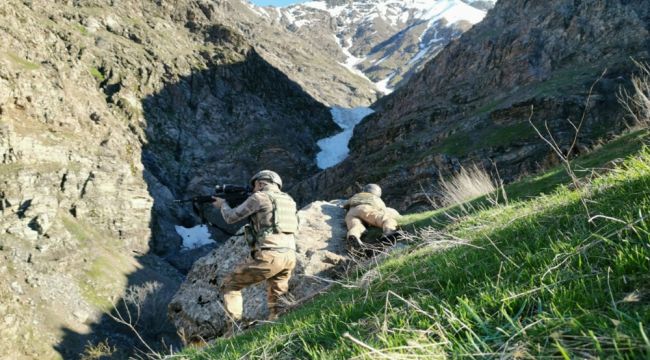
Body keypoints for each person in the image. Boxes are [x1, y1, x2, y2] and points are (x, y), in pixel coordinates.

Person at [212, 170, 299, 334]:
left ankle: (234, 329)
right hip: (289, 255)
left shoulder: (259, 197)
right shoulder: (289, 200)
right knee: (278, 297)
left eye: (254, 186)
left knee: (230, 284)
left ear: (260, 183)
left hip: (270, 254)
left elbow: (231, 217)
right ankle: (279, 329)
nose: (253, 190)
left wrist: (222, 205)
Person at [343, 183, 399, 251]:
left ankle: (353, 236)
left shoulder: (357, 195)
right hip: (367, 209)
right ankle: (389, 231)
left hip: (352, 212)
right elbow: (383, 210)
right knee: (386, 219)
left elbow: (345, 205)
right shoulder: (376, 198)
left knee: (356, 226)